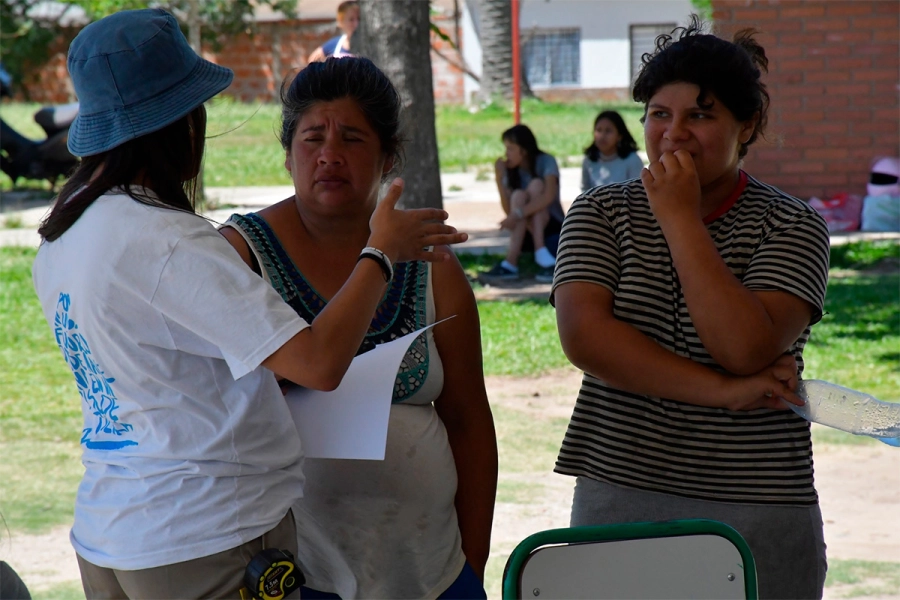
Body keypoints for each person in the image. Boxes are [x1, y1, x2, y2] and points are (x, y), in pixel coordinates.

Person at [31, 9, 465, 598]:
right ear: (180, 124)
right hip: (203, 537)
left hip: (116, 529)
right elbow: (318, 364)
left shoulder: (65, 237)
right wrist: (381, 254)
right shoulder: (169, 242)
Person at [550, 17, 830, 599]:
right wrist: (725, 391)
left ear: (746, 125)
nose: (674, 134)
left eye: (700, 116)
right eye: (659, 114)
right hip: (619, 488)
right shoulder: (599, 213)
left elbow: (744, 347)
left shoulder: (793, 225)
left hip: (757, 503)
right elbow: (588, 341)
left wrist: (679, 220)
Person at [220, 56, 498, 600]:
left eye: (351, 138)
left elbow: (469, 418)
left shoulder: (428, 258)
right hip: (295, 573)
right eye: (312, 137)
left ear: (388, 156)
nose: (329, 155)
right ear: (286, 153)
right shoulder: (241, 255)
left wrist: (474, 559)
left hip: (431, 570)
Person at [484, 124, 565, 283]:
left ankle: (526, 256)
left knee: (536, 185)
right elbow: (509, 210)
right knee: (518, 195)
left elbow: (548, 196)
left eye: (510, 148)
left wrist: (518, 213)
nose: (506, 154)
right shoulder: (511, 171)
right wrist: (499, 179)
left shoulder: (547, 161)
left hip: (551, 222)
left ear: (524, 150)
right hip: (524, 228)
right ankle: (517, 260)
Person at [581, 110, 643, 192]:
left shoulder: (632, 160)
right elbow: (584, 190)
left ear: (619, 136)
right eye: (599, 130)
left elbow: (637, 193)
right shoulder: (589, 160)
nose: (602, 136)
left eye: (608, 131)